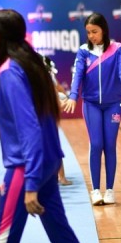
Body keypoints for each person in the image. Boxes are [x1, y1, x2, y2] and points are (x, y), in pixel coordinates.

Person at [0, 9, 99, 243]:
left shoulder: (10, 72)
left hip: (27, 170)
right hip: (44, 164)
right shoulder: (30, 65)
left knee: (3, 242)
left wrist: (29, 183)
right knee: (62, 237)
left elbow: (31, 128)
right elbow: (43, 123)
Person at [63, 12, 121, 206]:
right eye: (88, 32)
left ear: (104, 30)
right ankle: (95, 190)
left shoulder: (117, 49)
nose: (91, 36)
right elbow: (78, 75)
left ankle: (109, 190)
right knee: (96, 144)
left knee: (110, 145)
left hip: (113, 104)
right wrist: (73, 96)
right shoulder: (84, 51)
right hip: (91, 104)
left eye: (95, 31)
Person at [41, 55, 72, 186]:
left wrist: (65, 99)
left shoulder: (49, 77)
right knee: (51, 147)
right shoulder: (42, 78)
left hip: (46, 115)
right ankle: (59, 177)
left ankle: (59, 177)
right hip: (40, 116)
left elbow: (59, 90)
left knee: (52, 146)